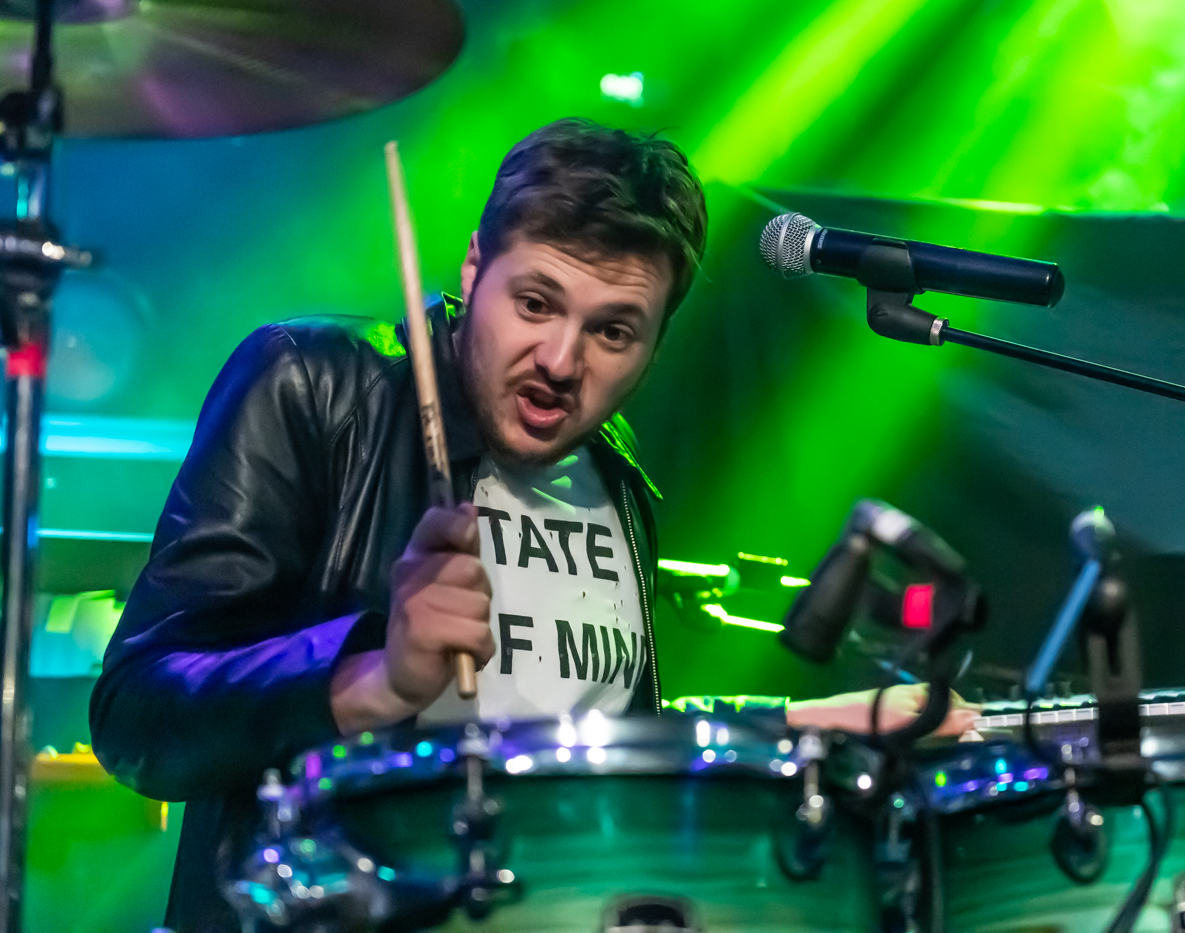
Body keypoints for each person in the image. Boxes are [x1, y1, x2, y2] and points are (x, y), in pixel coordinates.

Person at [89, 118, 978, 932]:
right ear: (473, 268)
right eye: (536, 303)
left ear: (655, 345)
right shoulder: (317, 386)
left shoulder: (617, 472)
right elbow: (136, 717)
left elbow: (585, 735)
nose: (560, 360)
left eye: (613, 332)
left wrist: (811, 727)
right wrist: (369, 678)